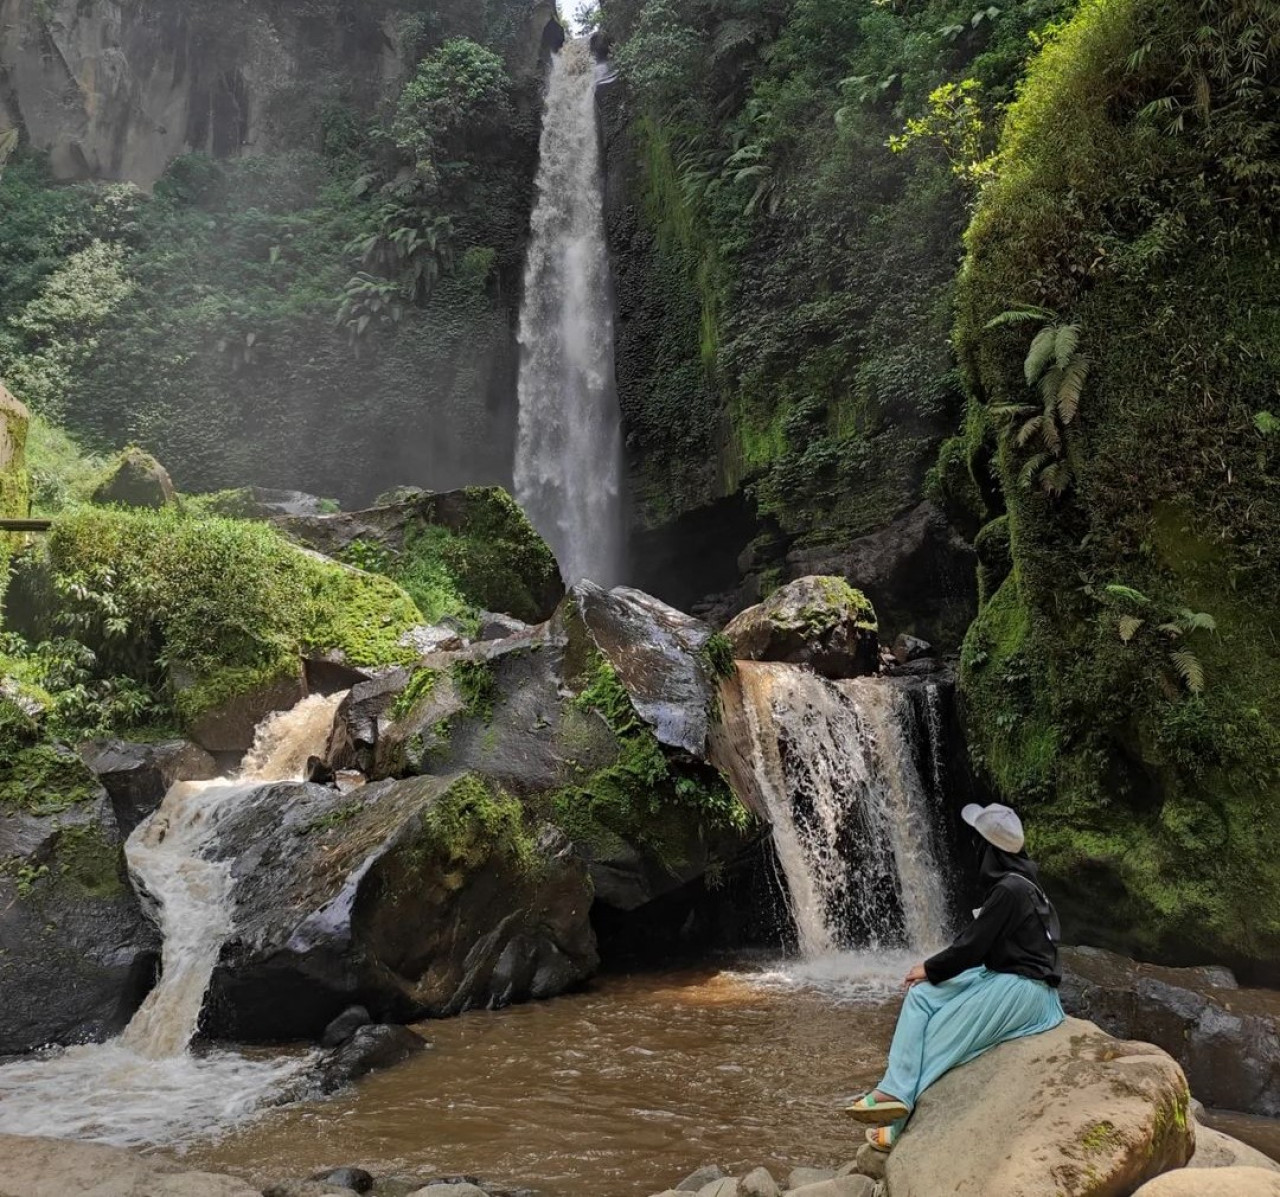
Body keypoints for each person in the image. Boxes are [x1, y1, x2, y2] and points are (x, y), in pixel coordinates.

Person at [844, 802, 1065, 1151]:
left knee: (940, 1032)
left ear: (989, 849)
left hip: (1027, 991)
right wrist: (931, 975)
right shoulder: (1018, 884)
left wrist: (930, 967)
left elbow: (971, 946)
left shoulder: (1011, 890)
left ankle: (899, 1121)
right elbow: (980, 945)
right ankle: (893, 1089)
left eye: (979, 841)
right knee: (920, 997)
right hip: (1001, 975)